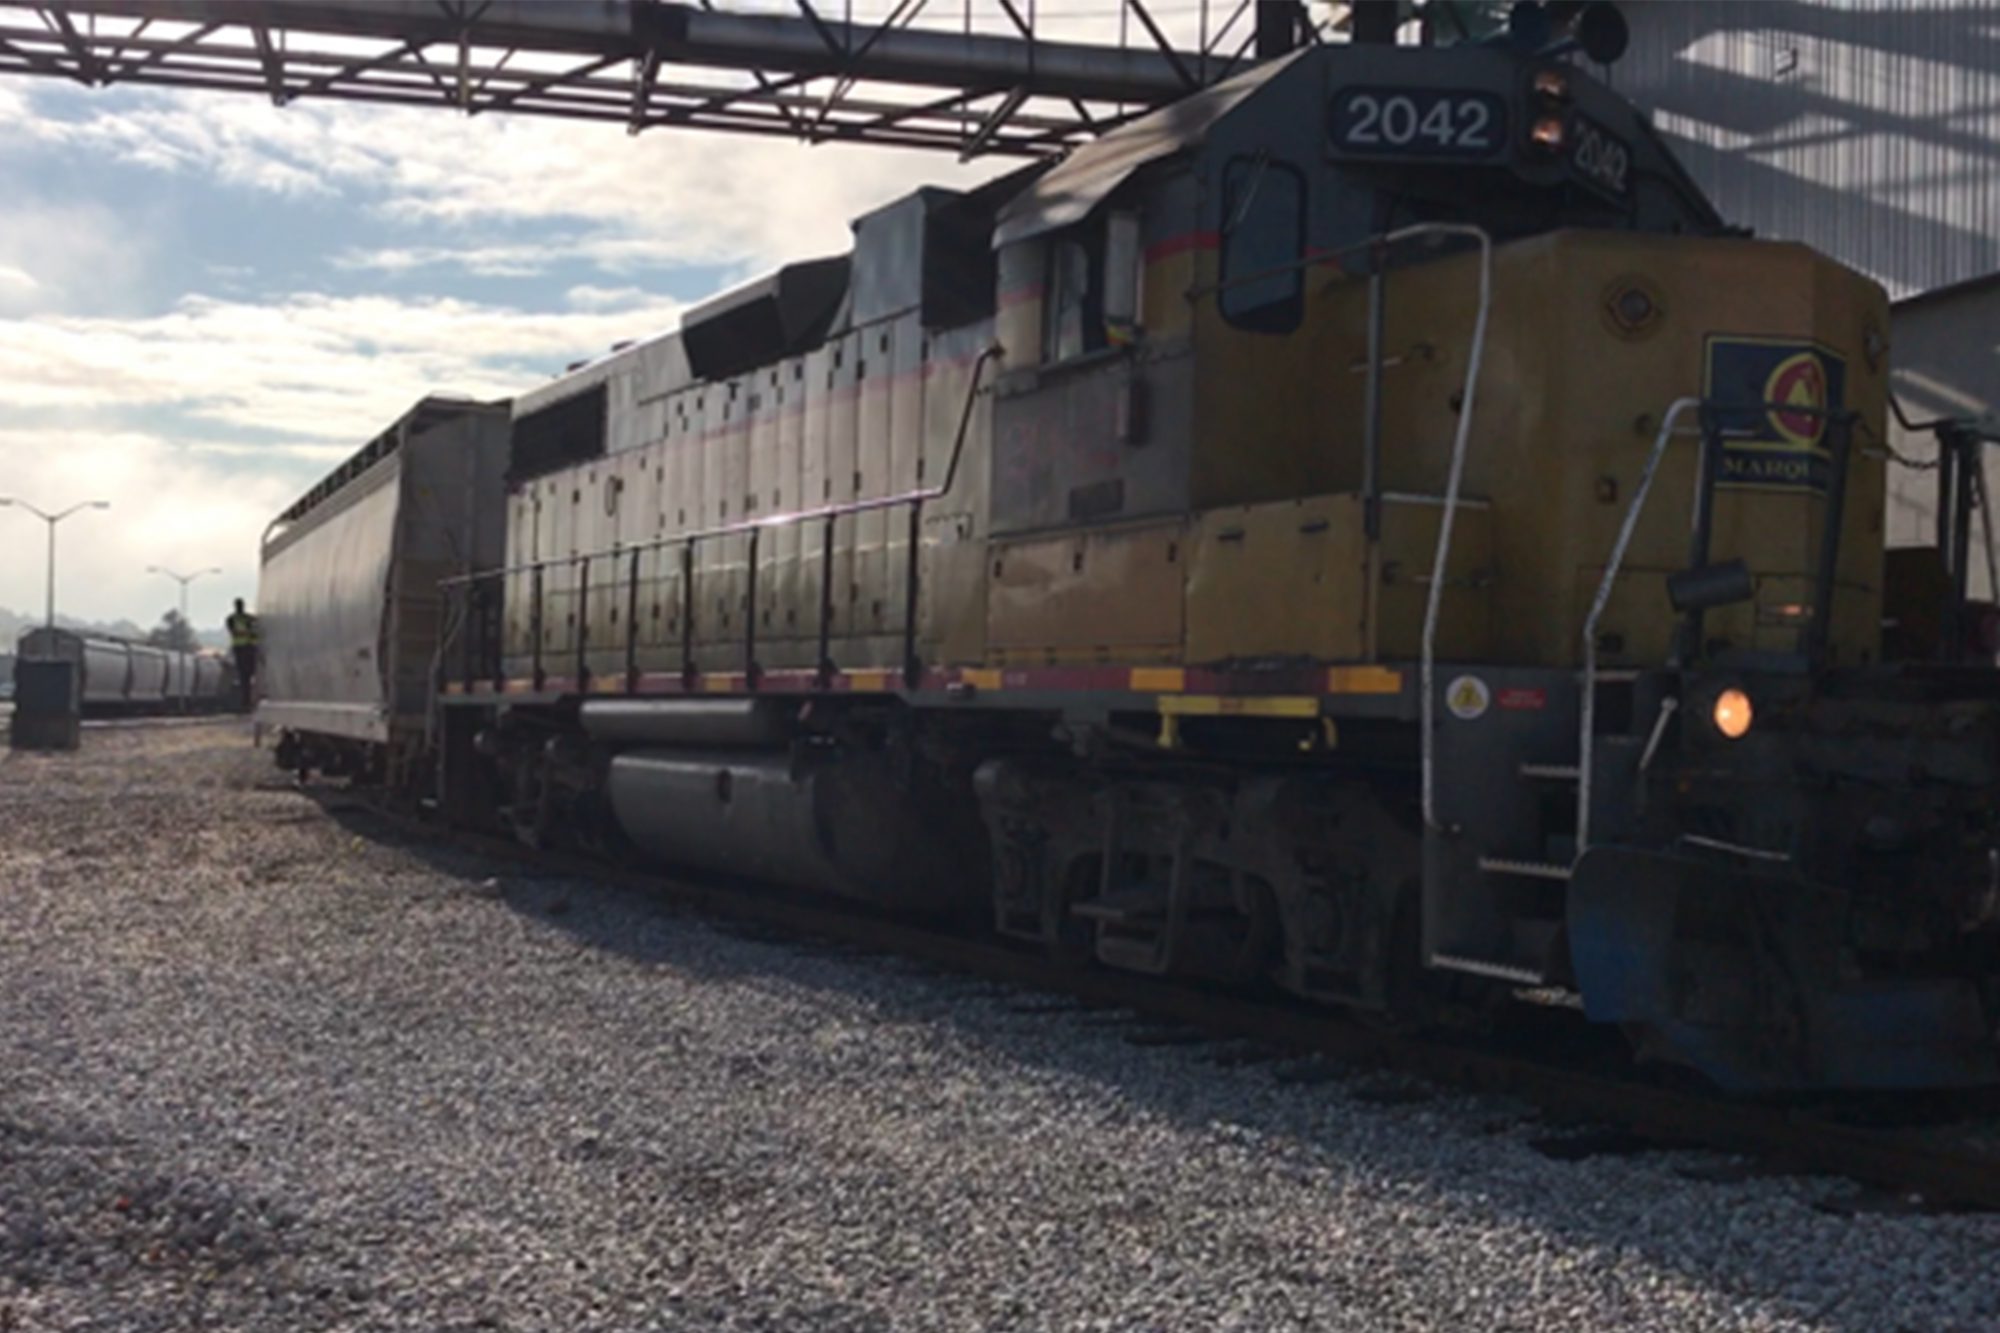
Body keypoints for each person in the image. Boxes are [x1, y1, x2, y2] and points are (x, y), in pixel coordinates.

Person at [226, 598, 259, 712]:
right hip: (244, 649)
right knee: (245, 676)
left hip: (244, 649)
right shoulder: (239, 619)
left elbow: (251, 631)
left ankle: (247, 701)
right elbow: (235, 632)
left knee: (246, 676)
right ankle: (246, 702)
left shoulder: (235, 619)